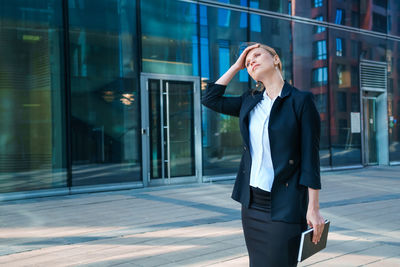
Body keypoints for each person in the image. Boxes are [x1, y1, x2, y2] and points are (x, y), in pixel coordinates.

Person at [201, 43, 325, 267]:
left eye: (257, 55)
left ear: (276, 59)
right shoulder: (250, 100)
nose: (252, 62)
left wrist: (313, 208)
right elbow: (210, 99)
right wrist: (236, 66)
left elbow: (310, 158)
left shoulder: (301, 101)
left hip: (285, 204)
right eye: (248, 62)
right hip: (252, 204)